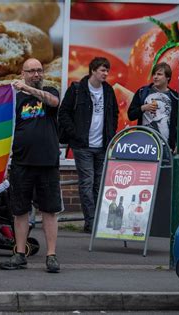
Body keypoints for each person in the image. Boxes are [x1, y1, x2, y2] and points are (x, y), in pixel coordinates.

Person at [0, 58, 62, 273]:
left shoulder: (50, 91)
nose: (36, 74)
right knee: (20, 210)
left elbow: (53, 102)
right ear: (22, 73)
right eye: (31, 71)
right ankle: (19, 254)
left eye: (39, 71)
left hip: (47, 161)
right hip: (21, 162)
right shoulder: (15, 100)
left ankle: (51, 256)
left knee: (49, 210)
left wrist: (27, 88)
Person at [58, 57, 118, 233]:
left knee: (99, 184)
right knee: (87, 182)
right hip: (82, 145)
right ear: (93, 70)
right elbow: (64, 113)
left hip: (102, 145)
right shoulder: (77, 89)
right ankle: (91, 222)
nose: (105, 74)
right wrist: (75, 133)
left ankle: (98, 220)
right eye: (102, 70)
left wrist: (111, 134)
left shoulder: (108, 91)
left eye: (107, 70)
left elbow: (114, 113)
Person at [128, 62, 178, 151]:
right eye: (154, 74)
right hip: (144, 146)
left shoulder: (175, 97)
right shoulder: (142, 92)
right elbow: (130, 115)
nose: (155, 77)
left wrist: (177, 144)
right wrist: (143, 108)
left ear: (168, 77)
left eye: (159, 74)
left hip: (166, 147)